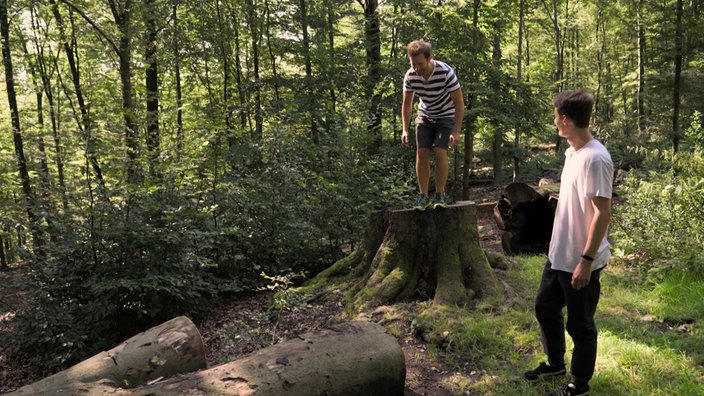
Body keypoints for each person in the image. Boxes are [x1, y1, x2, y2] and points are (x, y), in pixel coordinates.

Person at [523, 89, 613, 396]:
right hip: (558, 254)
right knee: (544, 307)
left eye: (554, 116)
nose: (554, 122)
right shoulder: (572, 152)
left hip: (580, 258)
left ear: (564, 119)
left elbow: (602, 213)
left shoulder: (596, 158)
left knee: (580, 325)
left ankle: (579, 384)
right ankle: (555, 363)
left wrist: (586, 261)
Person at [401, 39, 464, 210]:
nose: (417, 68)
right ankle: (423, 196)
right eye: (413, 64)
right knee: (421, 152)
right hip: (425, 115)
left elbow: (459, 103)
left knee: (440, 151)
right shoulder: (411, 76)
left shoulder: (445, 73)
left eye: (420, 64)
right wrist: (405, 129)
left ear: (429, 59)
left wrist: (456, 131)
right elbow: (407, 104)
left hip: (446, 115)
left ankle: (439, 195)